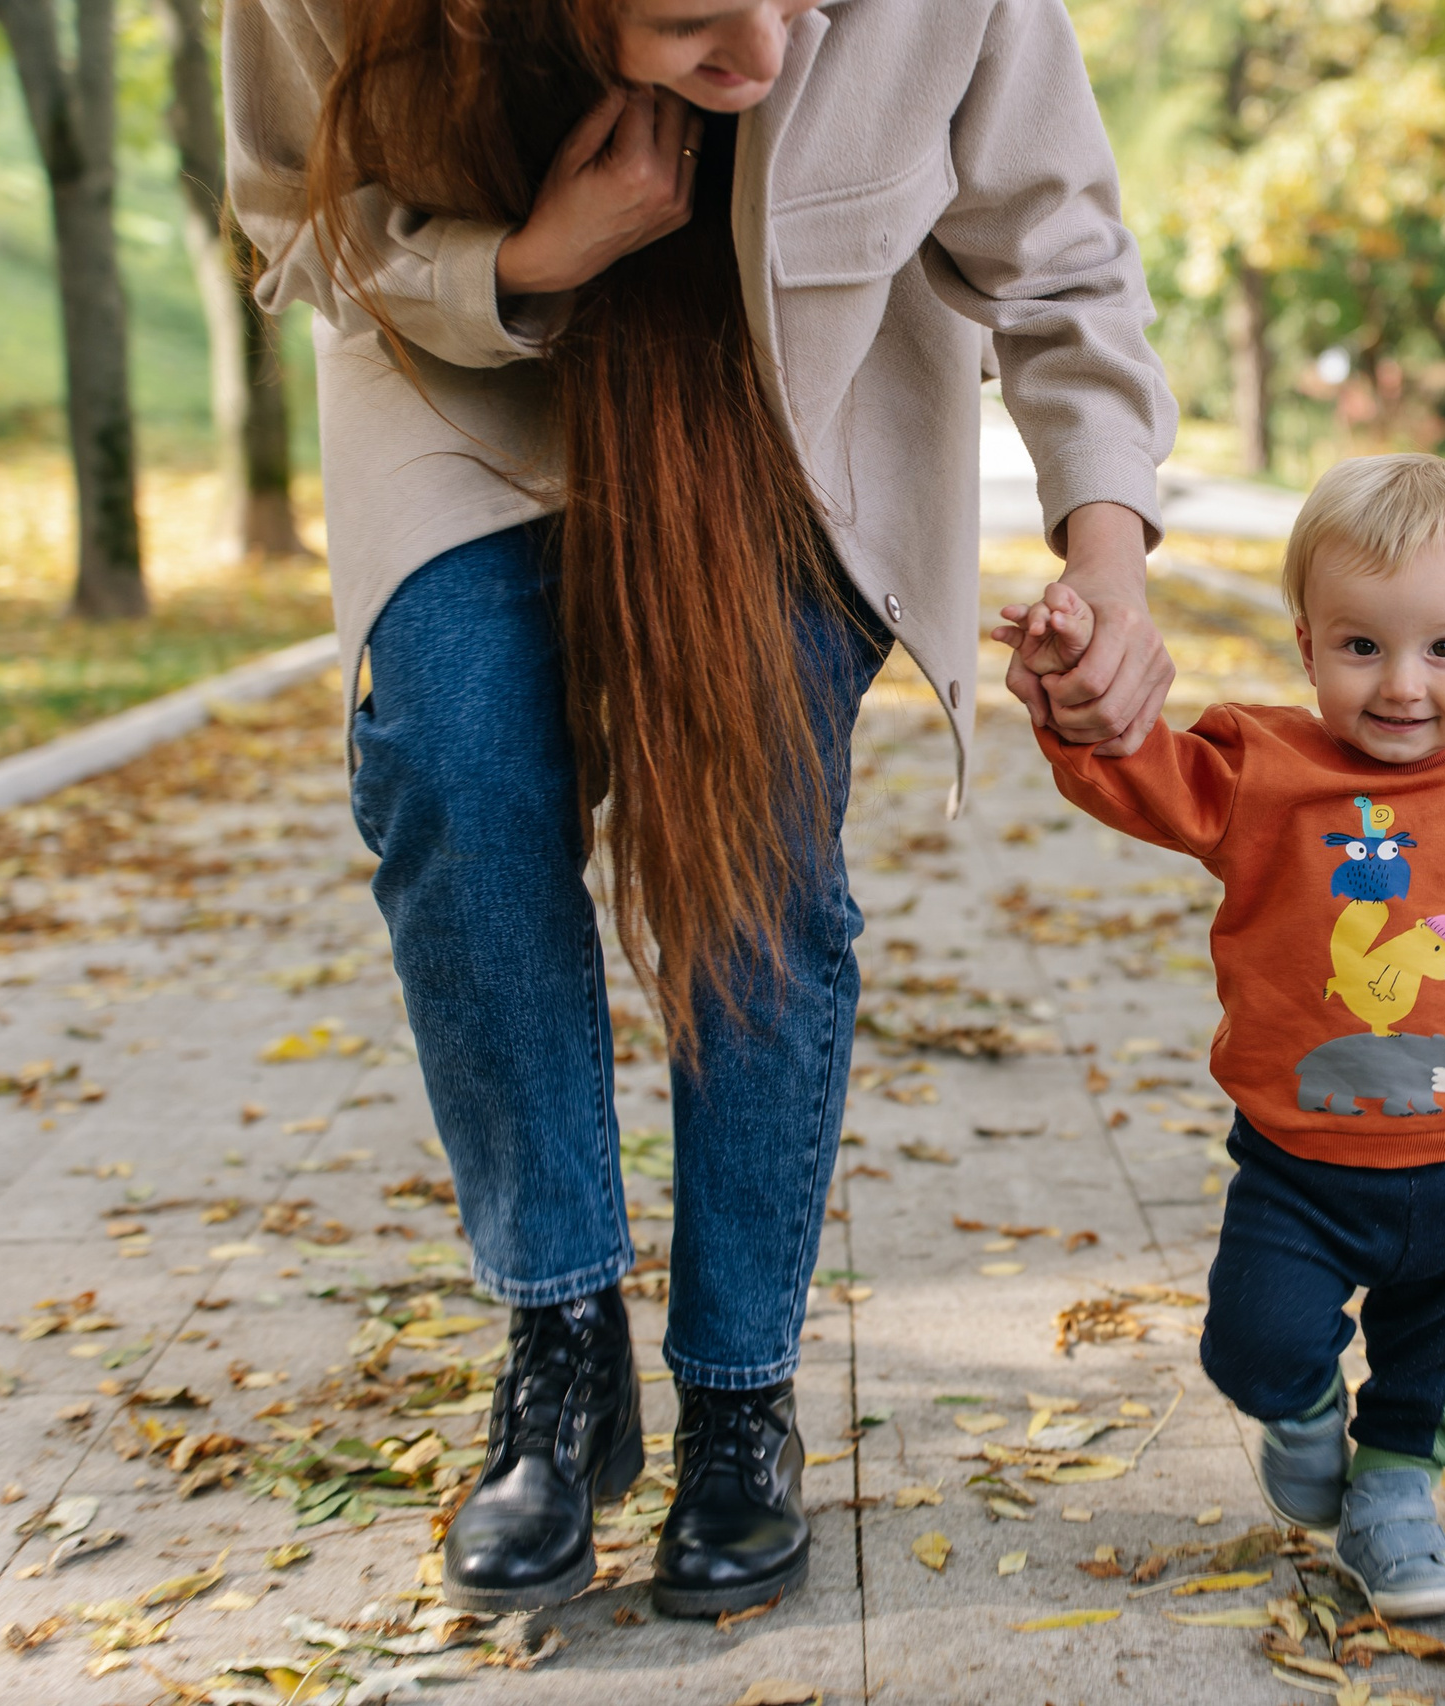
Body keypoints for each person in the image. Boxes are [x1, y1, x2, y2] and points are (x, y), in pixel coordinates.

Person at [224, 0, 1178, 1617]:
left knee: (759, 858)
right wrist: (525, 258)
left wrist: (1110, 559)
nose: (766, 45)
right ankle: (561, 1347)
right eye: (691, 15)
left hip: (791, 408)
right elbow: (290, 221)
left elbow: (1059, 243)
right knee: (454, 762)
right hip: (469, 389)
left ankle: (741, 1397)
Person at [998, 454, 1445, 1616]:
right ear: (1306, 645)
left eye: (1443, 647)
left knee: (1430, 1366)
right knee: (1252, 1343)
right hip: (1301, 1159)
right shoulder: (1262, 766)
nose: (1404, 685)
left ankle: (1394, 1500)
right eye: (1361, 646)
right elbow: (1138, 775)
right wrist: (1071, 687)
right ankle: (1305, 1408)